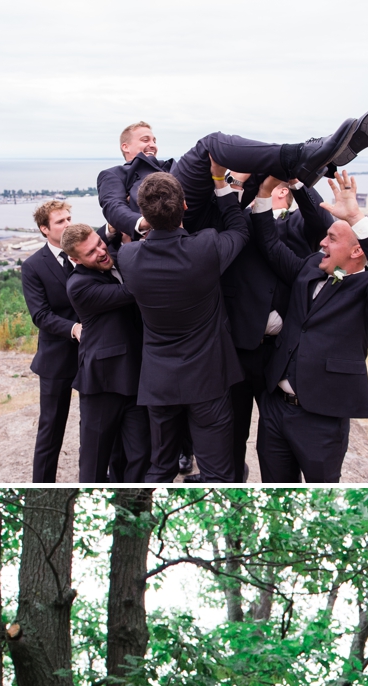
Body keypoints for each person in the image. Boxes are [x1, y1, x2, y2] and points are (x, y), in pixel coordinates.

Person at [249, 173, 368, 483]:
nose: (322, 242)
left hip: (321, 419)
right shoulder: (310, 267)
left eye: (332, 239)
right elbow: (269, 244)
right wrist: (284, 185)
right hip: (274, 410)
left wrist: (355, 217)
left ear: (357, 251)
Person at [116, 172, 251, 482]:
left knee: (160, 468)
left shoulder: (129, 257)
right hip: (207, 380)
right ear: (185, 205)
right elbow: (240, 230)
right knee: (216, 472)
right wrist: (225, 183)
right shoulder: (205, 247)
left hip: (158, 382)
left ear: (144, 216)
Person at [98, 110, 368, 242]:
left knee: (258, 172)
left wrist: (231, 183)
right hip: (169, 221)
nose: (152, 144)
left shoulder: (170, 164)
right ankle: (304, 154)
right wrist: (144, 221)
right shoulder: (113, 174)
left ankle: (317, 163)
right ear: (125, 146)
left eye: (154, 139)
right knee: (211, 145)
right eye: (144, 139)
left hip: (209, 216)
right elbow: (112, 206)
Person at [220, 180, 334, 482]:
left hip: (282, 354)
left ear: (283, 191)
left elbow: (324, 222)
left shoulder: (302, 223)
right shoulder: (238, 218)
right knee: (232, 432)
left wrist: (298, 180)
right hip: (240, 346)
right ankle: (233, 481)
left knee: (279, 438)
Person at [60, 223, 148, 484]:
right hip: (101, 383)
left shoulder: (113, 255)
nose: (101, 251)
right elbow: (130, 292)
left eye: (99, 243)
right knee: (95, 456)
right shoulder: (78, 286)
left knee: (141, 453)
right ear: (75, 259)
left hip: (134, 377)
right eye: (91, 252)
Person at [20, 199, 80, 483]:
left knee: (100, 425)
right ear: (45, 229)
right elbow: (40, 315)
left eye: (69, 218)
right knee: (51, 429)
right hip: (57, 357)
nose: (68, 224)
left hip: (94, 354)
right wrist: (74, 329)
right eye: (60, 221)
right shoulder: (33, 266)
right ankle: (42, 484)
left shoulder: (86, 252)